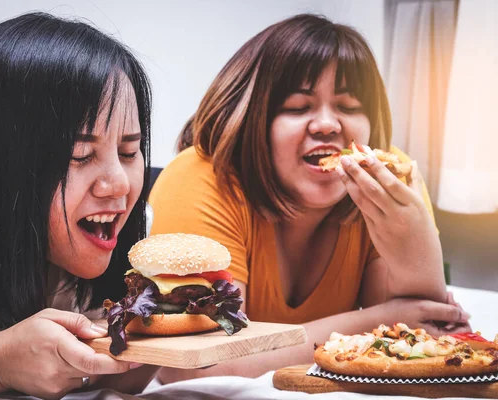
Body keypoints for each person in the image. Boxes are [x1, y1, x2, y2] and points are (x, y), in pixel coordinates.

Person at [148, 14, 471, 381]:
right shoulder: (201, 176)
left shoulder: (389, 176)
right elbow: (191, 368)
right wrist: (373, 321)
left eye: (349, 107)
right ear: (252, 120)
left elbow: (424, 335)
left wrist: (416, 244)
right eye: (298, 107)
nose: (328, 125)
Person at [0, 13, 159, 399]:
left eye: (129, 151)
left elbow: (121, 382)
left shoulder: (132, 231)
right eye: (81, 154)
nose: (119, 184)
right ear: (3, 161)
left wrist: (153, 348)